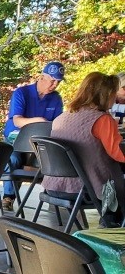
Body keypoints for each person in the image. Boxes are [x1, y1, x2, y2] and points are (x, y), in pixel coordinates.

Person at [44, 71, 125, 228]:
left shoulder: (61, 118)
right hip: (88, 189)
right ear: (105, 94)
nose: (115, 97)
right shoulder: (102, 120)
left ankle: (109, 222)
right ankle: (112, 224)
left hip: (54, 186)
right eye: (113, 93)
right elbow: (119, 154)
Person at [1, 60, 65, 211]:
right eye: (52, 80)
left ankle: (56, 195)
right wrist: (39, 121)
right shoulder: (22, 93)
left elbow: (57, 124)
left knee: (58, 158)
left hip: (40, 141)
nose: (55, 85)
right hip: (15, 139)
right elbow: (17, 121)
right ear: (42, 77)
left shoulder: (56, 98)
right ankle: (8, 197)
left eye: (58, 82)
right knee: (13, 159)